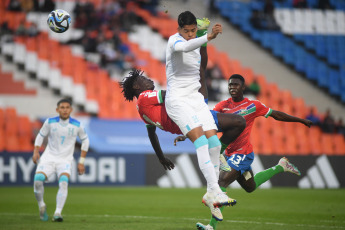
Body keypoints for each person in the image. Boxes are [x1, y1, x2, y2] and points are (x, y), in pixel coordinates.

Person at [193, 74, 313, 230]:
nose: (232, 87)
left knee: (221, 182)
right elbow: (206, 122)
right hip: (229, 153)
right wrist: (185, 135)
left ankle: (211, 226)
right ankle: (280, 166)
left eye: (236, 85)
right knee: (250, 187)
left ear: (243, 87)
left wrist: (301, 120)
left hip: (242, 153)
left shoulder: (253, 105)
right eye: (230, 85)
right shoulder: (222, 106)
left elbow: (276, 114)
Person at [164, 11, 230, 221]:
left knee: (215, 145)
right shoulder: (174, 41)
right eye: (187, 31)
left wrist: (206, 39)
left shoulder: (197, 39)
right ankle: (215, 190)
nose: (190, 35)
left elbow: (202, 62)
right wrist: (207, 36)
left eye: (193, 30)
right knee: (201, 142)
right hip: (177, 100)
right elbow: (185, 46)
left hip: (195, 98)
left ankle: (211, 193)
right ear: (179, 29)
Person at [32, 98, 89, 222]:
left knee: (63, 182)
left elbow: (85, 141)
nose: (64, 110)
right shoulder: (50, 122)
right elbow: (41, 135)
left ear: (71, 110)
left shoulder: (77, 125)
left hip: (65, 160)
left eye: (67, 107)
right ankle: (41, 205)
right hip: (49, 157)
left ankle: (58, 213)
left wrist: (81, 162)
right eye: (62, 108)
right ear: (57, 110)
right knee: (38, 181)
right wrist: (36, 151)